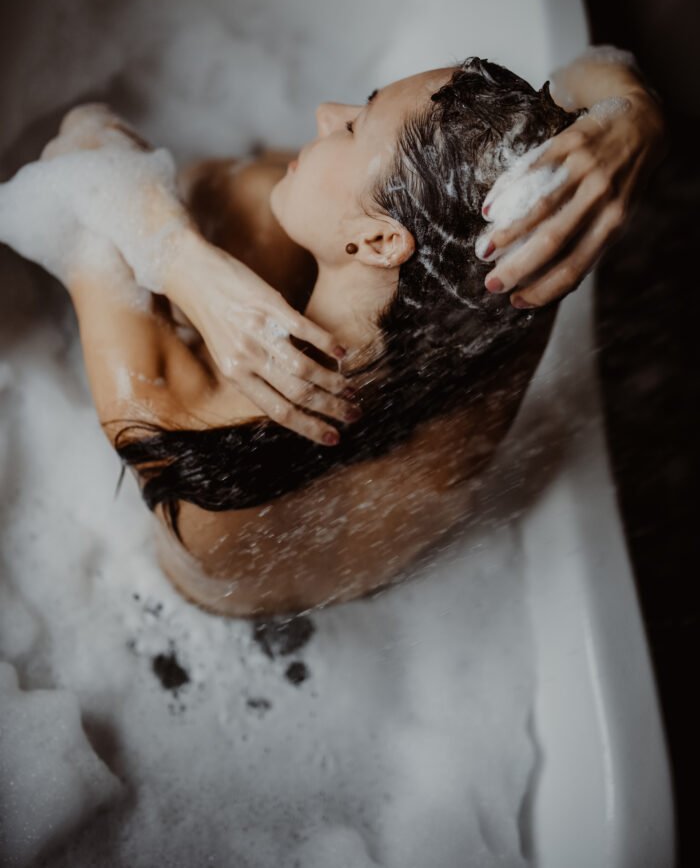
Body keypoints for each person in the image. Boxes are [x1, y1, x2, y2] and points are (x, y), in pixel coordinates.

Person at [5, 53, 666, 615]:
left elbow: (79, 151)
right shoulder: (516, 297)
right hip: (357, 580)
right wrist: (635, 110)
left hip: (184, 594)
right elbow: (583, 79)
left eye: (353, 124)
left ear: (379, 240)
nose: (326, 110)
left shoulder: (200, 446)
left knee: (249, 197)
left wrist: (178, 260)